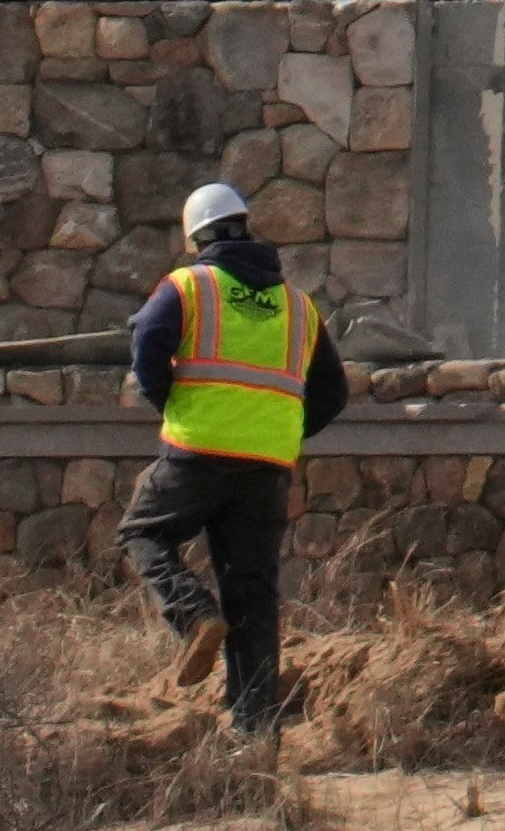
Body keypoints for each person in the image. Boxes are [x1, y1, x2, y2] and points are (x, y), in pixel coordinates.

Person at [117, 180, 349, 737]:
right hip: (267, 469)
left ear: (196, 237)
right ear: (247, 228)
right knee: (253, 595)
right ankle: (255, 734)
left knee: (140, 533)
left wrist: (166, 400)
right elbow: (334, 393)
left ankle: (194, 615)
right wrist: (282, 430)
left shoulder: (188, 286)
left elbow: (147, 341)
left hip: (197, 451)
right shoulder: (299, 306)